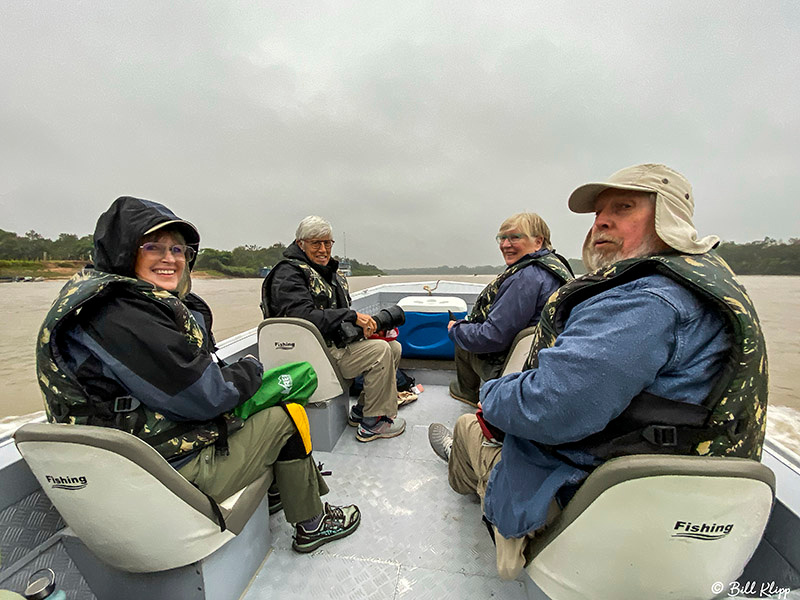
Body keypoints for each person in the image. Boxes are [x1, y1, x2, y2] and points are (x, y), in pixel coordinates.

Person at [428, 164, 768, 579]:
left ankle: (468, 470)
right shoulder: (707, 281)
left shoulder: (645, 301)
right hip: (670, 476)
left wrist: (493, 394)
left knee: (469, 427)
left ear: (670, 218)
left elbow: (551, 409)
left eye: (623, 208)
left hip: (594, 488)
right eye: (598, 213)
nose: (601, 221)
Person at [36, 196, 360, 553]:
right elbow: (208, 396)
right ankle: (313, 523)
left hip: (130, 460)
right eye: (152, 247)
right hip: (160, 473)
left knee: (265, 406)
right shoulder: (121, 316)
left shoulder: (102, 300)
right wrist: (251, 369)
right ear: (124, 251)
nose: (170, 258)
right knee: (288, 416)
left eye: (178, 248)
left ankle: (278, 492)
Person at [262, 216, 406, 443]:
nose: (323, 249)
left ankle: (363, 411)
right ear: (300, 244)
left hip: (329, 347)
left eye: (327, 243)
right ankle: (373, 424)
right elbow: (302, 318)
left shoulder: (326, 273)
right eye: (315, 243)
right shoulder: (288, 274)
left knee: (393, 347)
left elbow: (332, 317)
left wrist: (365, 327)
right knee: (379, 352)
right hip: (309, 357)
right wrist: (351, 316)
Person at [447, 212, 573, 406]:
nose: (505, 245)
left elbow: (492, 337)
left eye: (515, 237)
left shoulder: (525, 278)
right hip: (541, 364)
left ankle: (466, 392)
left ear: (538, 242)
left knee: (460, 335)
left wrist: (457, 329)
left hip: (513, 367)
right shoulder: (555, 267)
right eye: (502, 238)